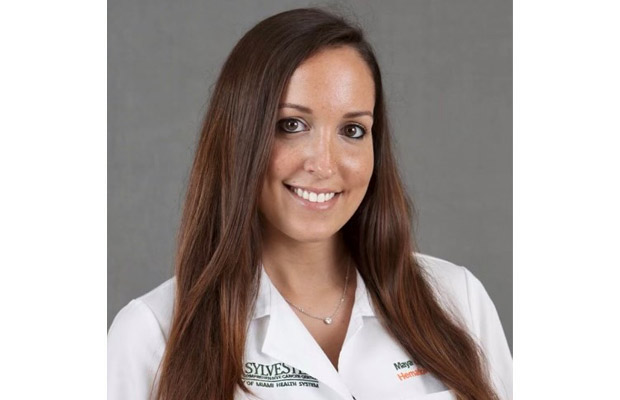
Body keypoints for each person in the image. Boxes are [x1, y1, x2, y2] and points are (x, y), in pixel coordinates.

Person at [108, 7, 512, 400]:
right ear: (238, 136)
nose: (323, 164)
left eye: (353, 130)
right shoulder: (153, 334)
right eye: (291, 125)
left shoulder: (457, 299)